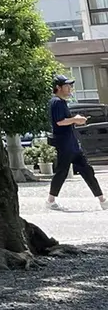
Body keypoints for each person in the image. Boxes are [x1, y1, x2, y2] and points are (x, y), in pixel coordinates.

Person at [47, 76, 107, 211]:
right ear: (58, 87)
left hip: (72, 143)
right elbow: (59, 122)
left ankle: (102, 199)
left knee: (87, 170)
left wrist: (77, 120)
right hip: (64, 144)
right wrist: (75, 119)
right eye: (67, 86)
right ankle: (50, 200)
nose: (70, 89)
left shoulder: (62, 102)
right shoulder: (56, 102)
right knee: (62, 172)